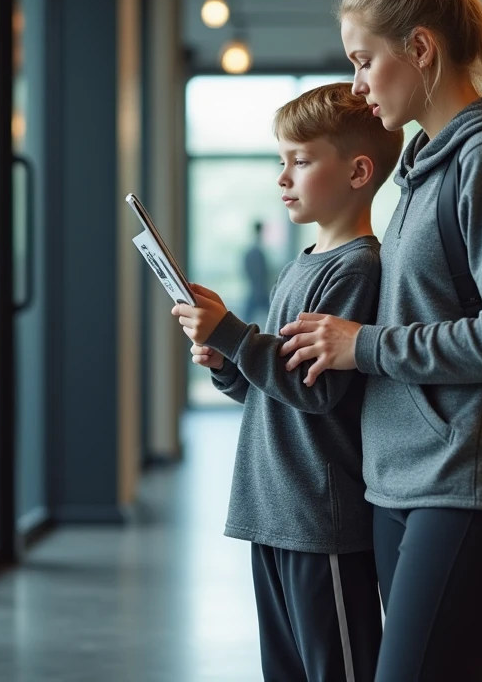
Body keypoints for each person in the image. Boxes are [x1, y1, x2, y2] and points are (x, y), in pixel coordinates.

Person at [277, 0, 482, 681]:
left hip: (473, 488)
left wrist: (364, 344)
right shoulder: (419, 172)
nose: (358, 84)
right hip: (405, 484)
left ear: (420, 48)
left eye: (363, 59)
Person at [171, 82, 403, 681]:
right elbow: (271, 387)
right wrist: (228, 363)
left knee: (336, 669)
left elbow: (317, 390)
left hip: (318, 519)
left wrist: (235, 337)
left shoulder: (358, 268)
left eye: (300, 161)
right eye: (282, 161)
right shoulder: (303, 263)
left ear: (358, 171)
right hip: (271, 510)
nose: (283, 178)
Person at [242, 221, 271, 327]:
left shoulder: (254, 250)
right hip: (258, 289)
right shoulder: (256, 251)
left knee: (247, 318)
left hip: (257, 289)